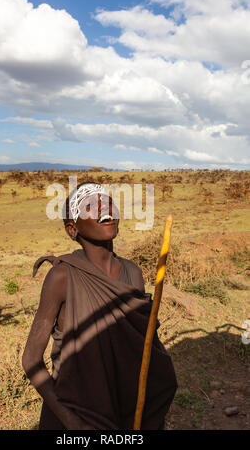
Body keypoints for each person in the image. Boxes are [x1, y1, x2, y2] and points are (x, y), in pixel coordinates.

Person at [22, 182, 177, 430]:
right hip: (77, 414)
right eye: (90, 206)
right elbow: (31, 360)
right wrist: (71, 421)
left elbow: (138, 348)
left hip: (125, 410)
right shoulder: (61, 278)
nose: (104, 208)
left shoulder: (132, 273)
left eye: (108, 202)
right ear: (73, 229)